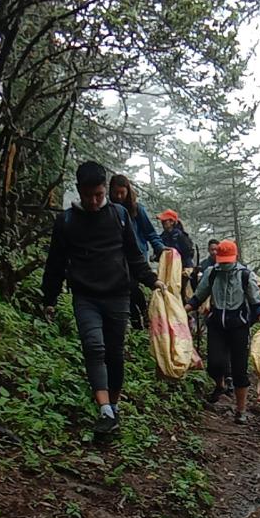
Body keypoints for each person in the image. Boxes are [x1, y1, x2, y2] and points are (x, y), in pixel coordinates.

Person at [43, 161, 166, 435]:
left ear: (104, 190)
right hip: (85, 295)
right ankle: (105, 409)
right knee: (94, 346)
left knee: (114, 353)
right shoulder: (66, 222)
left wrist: (152, 280)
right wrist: (49, 298)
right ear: (79, 191)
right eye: (89, 195)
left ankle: (114, 403)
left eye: (99, 194)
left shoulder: (119, 215)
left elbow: (134, 255)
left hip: (117, 295)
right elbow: (55, 263)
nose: (95, 201)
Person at [184, 240, 260, 425]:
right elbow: (199, 296)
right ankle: (220, 385)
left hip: (239, 327)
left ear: (235, 257)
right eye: (222, 260)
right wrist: (184, 310)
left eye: (228, 260)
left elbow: (255, 302)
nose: (225, 264)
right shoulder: (212, 273)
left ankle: (241, 410)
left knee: (239, 371)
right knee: (214, 364)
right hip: (216, 325)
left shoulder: (246, 275)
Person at [109, 175, 163, 329]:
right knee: (125, 290)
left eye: (122, 193)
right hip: (118, 257)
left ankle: (144, 310)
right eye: (116, 193)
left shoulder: (137, 209)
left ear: (128, 191)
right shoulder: (108, 210)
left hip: (136, 256)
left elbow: (150, 232)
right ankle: (136, 324)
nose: (119, 196)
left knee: (131, 285)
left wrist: (159, 247)